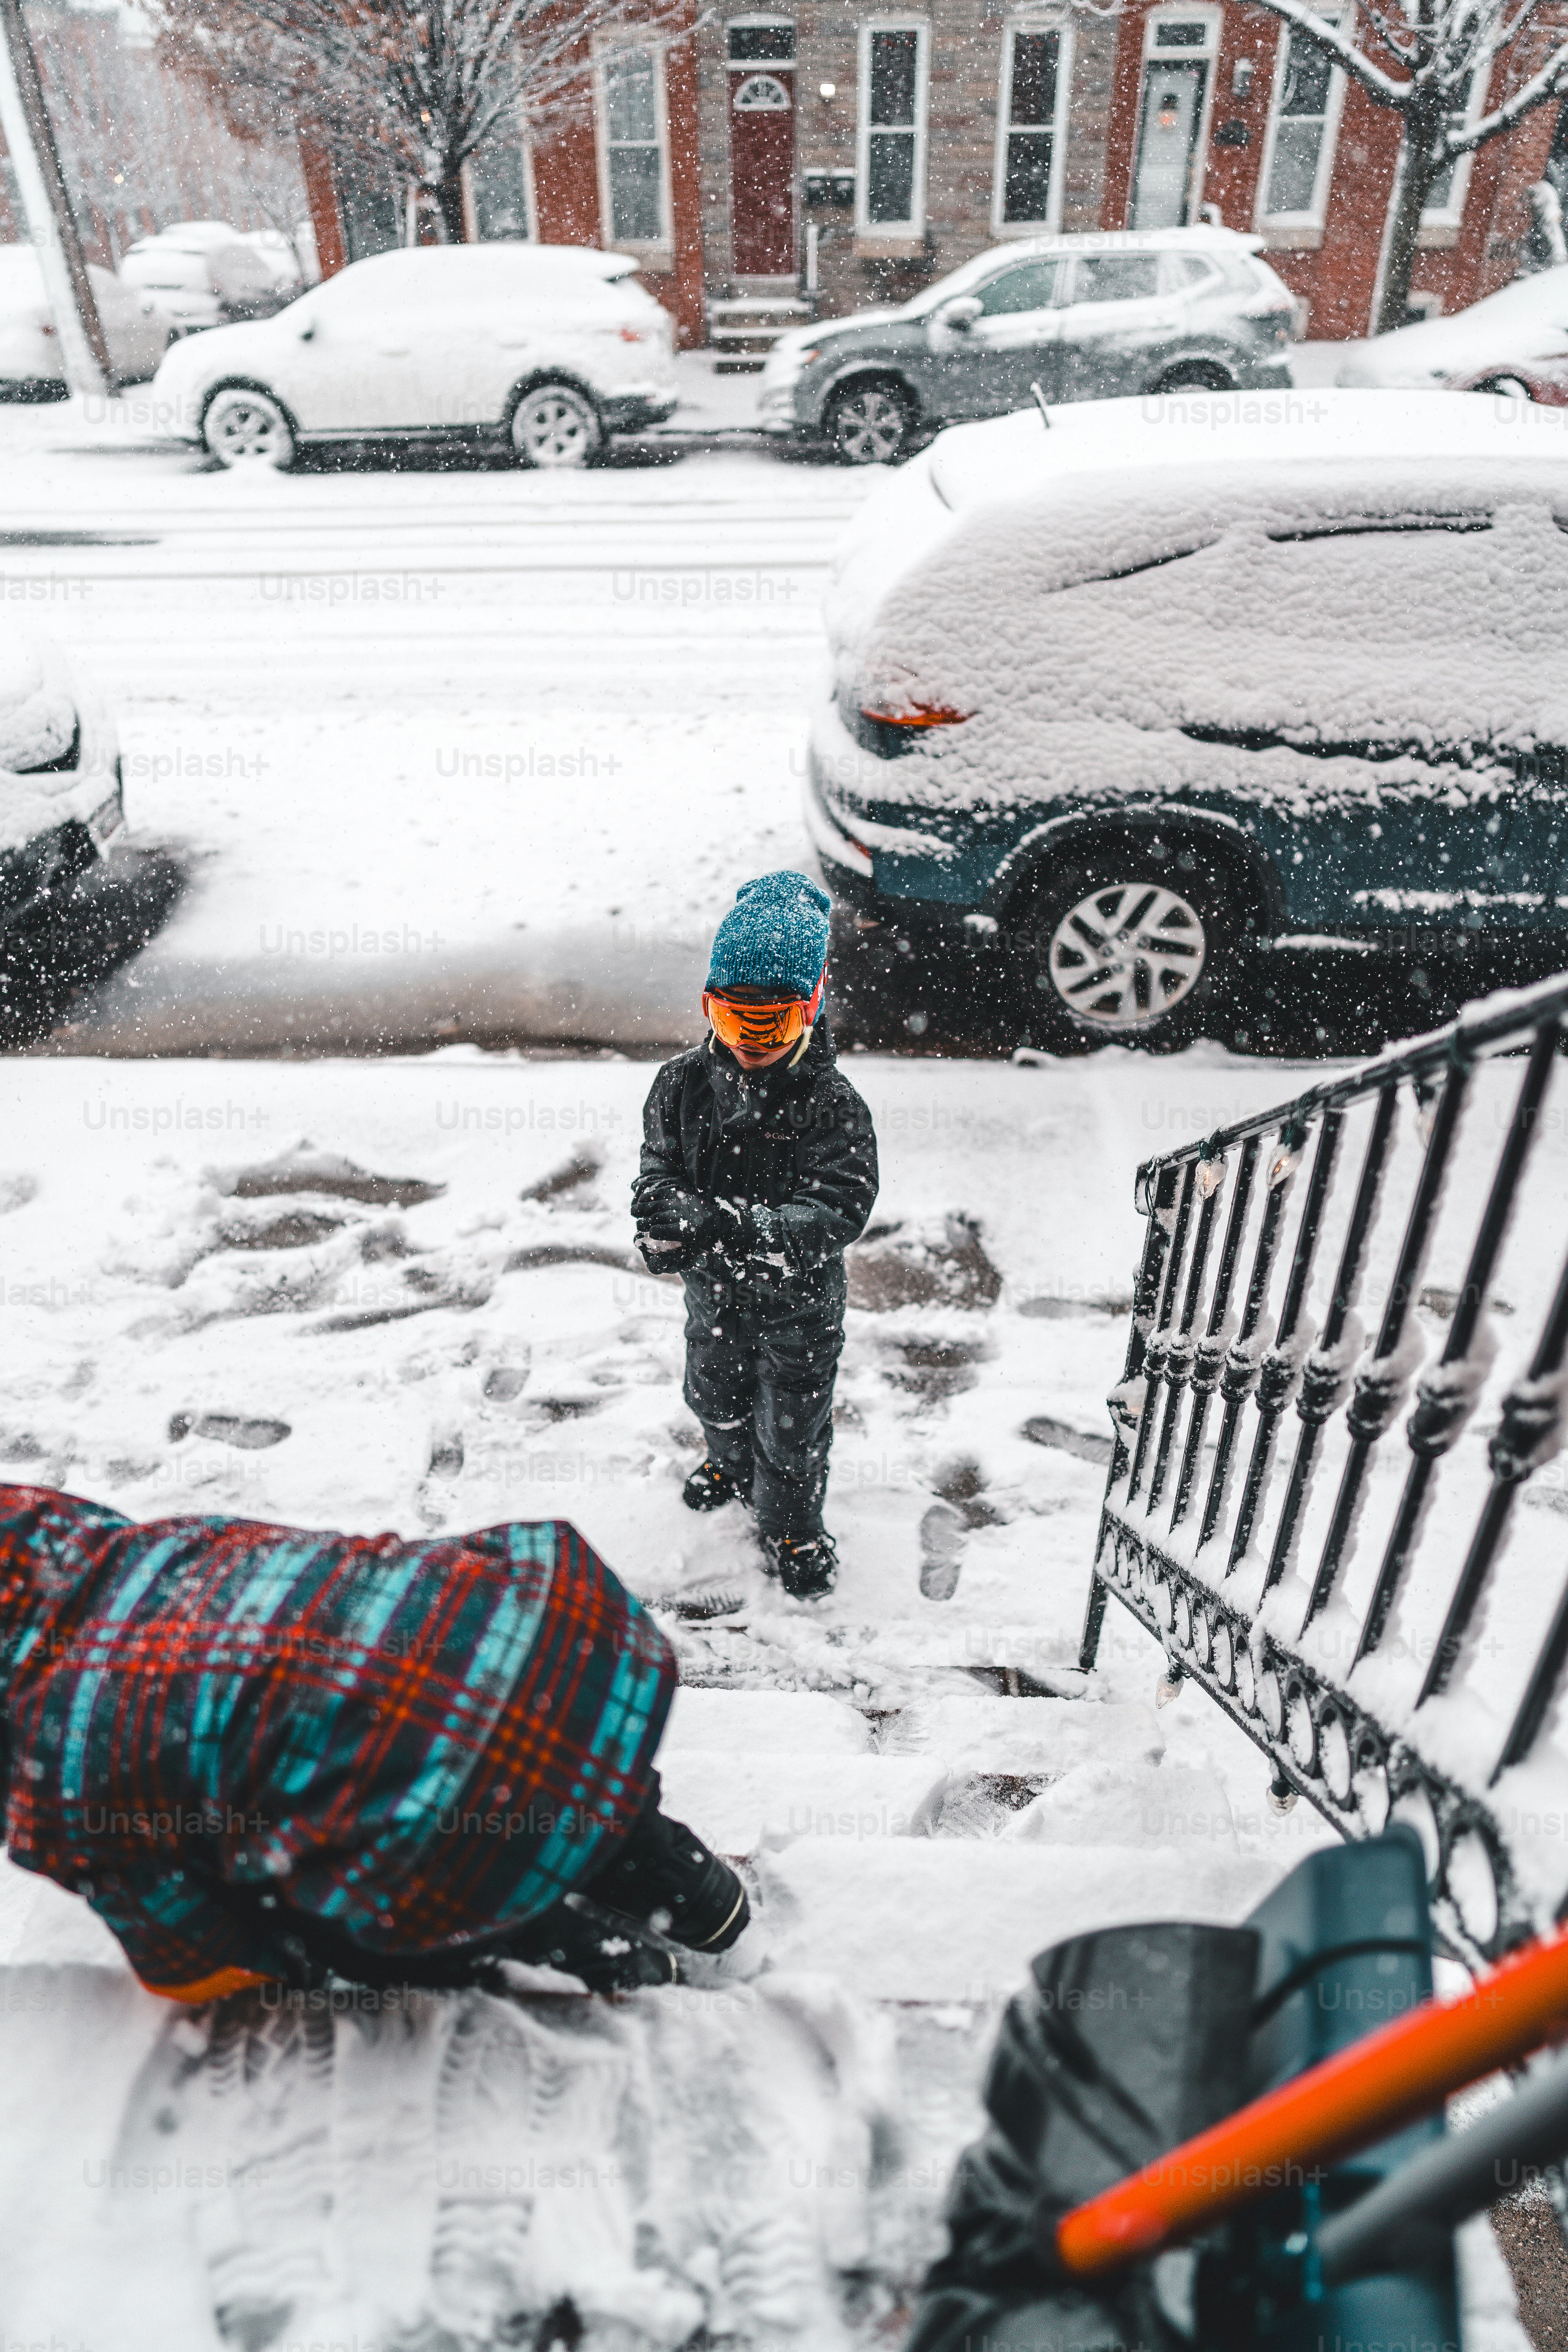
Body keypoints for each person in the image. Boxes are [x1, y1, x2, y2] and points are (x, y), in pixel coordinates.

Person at [0, 1483, 748, 2002]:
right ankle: (696, 1894)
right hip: (570, 1639)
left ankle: (617, 1966)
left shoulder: (57, 1776)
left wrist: (286, 1947)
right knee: (533, 1755)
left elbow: (195, 1963)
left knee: (345, 1897)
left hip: (455, 1808)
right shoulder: (167, 1545)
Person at [632, 871, 878, 1599]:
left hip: (799, 1307)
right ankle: (729, 1461)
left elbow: (838, 1209)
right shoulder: (680, 1088)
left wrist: (739, 1225)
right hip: (713, 1298)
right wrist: (666, 1215)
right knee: (712, 1394)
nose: (752, 1045)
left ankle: (793, 1524)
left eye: (774, 1025)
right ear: (712, 1009)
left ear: (813, 1008)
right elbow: (658, 1168)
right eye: (738, 1023)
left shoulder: (834, 1107)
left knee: (794, 1431)